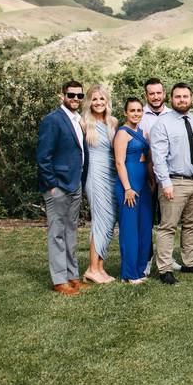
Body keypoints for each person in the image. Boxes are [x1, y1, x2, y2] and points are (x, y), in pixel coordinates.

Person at [149, 82, 193, 285]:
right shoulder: (163, 124)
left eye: (185, 96)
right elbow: (158, 157)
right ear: (171, 99)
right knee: (168, 226)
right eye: (178, 97)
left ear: (192, 98)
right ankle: (164, 268)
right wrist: (165, 183)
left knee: (192, 224)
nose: (182, 100)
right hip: (174, 181)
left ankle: (189, 262)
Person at [36, 80, 90, 296]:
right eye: (71, 95)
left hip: (75, 183)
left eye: (79, 95)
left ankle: (73, 276)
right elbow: (43, 157)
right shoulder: (52, 120)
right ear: (62, 96)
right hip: (58, 186)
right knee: (57, 232)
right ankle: (59, 280)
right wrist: (51, 185)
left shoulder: (77, 120)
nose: (75, 99)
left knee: (70, 231)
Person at [138, 77, 178, 275]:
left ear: (164, 93)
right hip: (145, 174)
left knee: (167, 219)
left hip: (166, 175)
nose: (155, 97)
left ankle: (167, 257)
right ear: (146, 95)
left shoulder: (172, 115)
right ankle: (146, 259)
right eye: (151, 93)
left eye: (158, 93)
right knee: (146, 218)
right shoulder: (140, 115)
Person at [81, 84, 118, 284]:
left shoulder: (112, 122)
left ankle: (98, 268)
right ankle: (92, 268)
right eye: (94, 99)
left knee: (110, 219)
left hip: (112, 173)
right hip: (95, 173)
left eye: (102, 99)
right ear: (89, 102)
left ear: (107, 101)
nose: (98, 103)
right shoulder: (84, 123)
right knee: (100, 219)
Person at [114, 97, 153, 284]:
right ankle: (129, 274)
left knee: (144, 228)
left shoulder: (142, 132)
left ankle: (139, 269)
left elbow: (145, 157)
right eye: (132, 110)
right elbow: (119, 162)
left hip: (144, 185)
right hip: (128, 186)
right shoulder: (122, 133)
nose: (136, 113)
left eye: (139, 110)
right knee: (129, 230)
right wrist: (128, 188)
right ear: (125, 113)